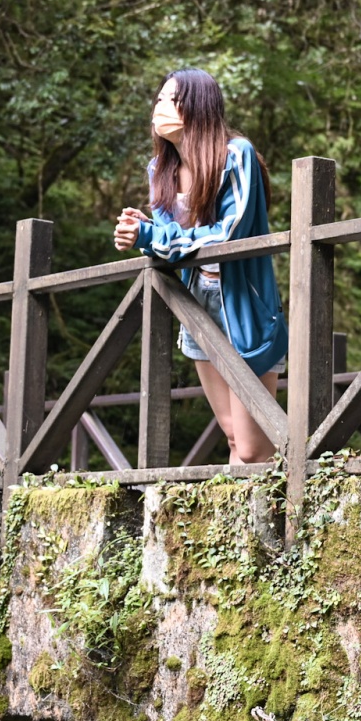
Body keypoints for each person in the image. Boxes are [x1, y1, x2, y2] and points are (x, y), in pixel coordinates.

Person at [112, 69, 289, 464]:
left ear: (196, 106)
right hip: (195, 303)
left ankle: (297, 494)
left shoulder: (236, 155)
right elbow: (163, 247)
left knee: (254, 446)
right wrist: (137, 233)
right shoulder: (160, 170)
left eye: (168, 99)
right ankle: (243, 522)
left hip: (245, 306)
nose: (158, 107)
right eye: (157, 100)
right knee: (232, 437)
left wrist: (150, 237)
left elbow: (227, 235)